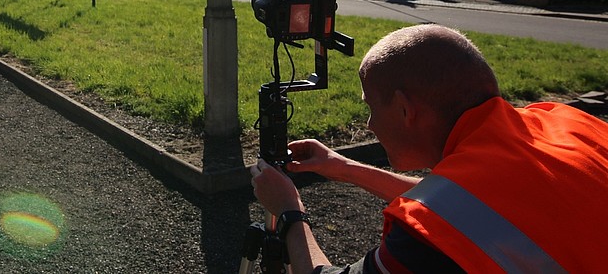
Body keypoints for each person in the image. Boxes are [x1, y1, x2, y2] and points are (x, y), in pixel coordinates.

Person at [250, 23, 608, 273]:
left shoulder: (430, 240)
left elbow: (452, 216)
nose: (370, 125)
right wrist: (343, 167)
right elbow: (475, 209)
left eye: (372, 109)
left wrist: (288, 212)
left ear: (407, 110)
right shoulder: (563, 122)